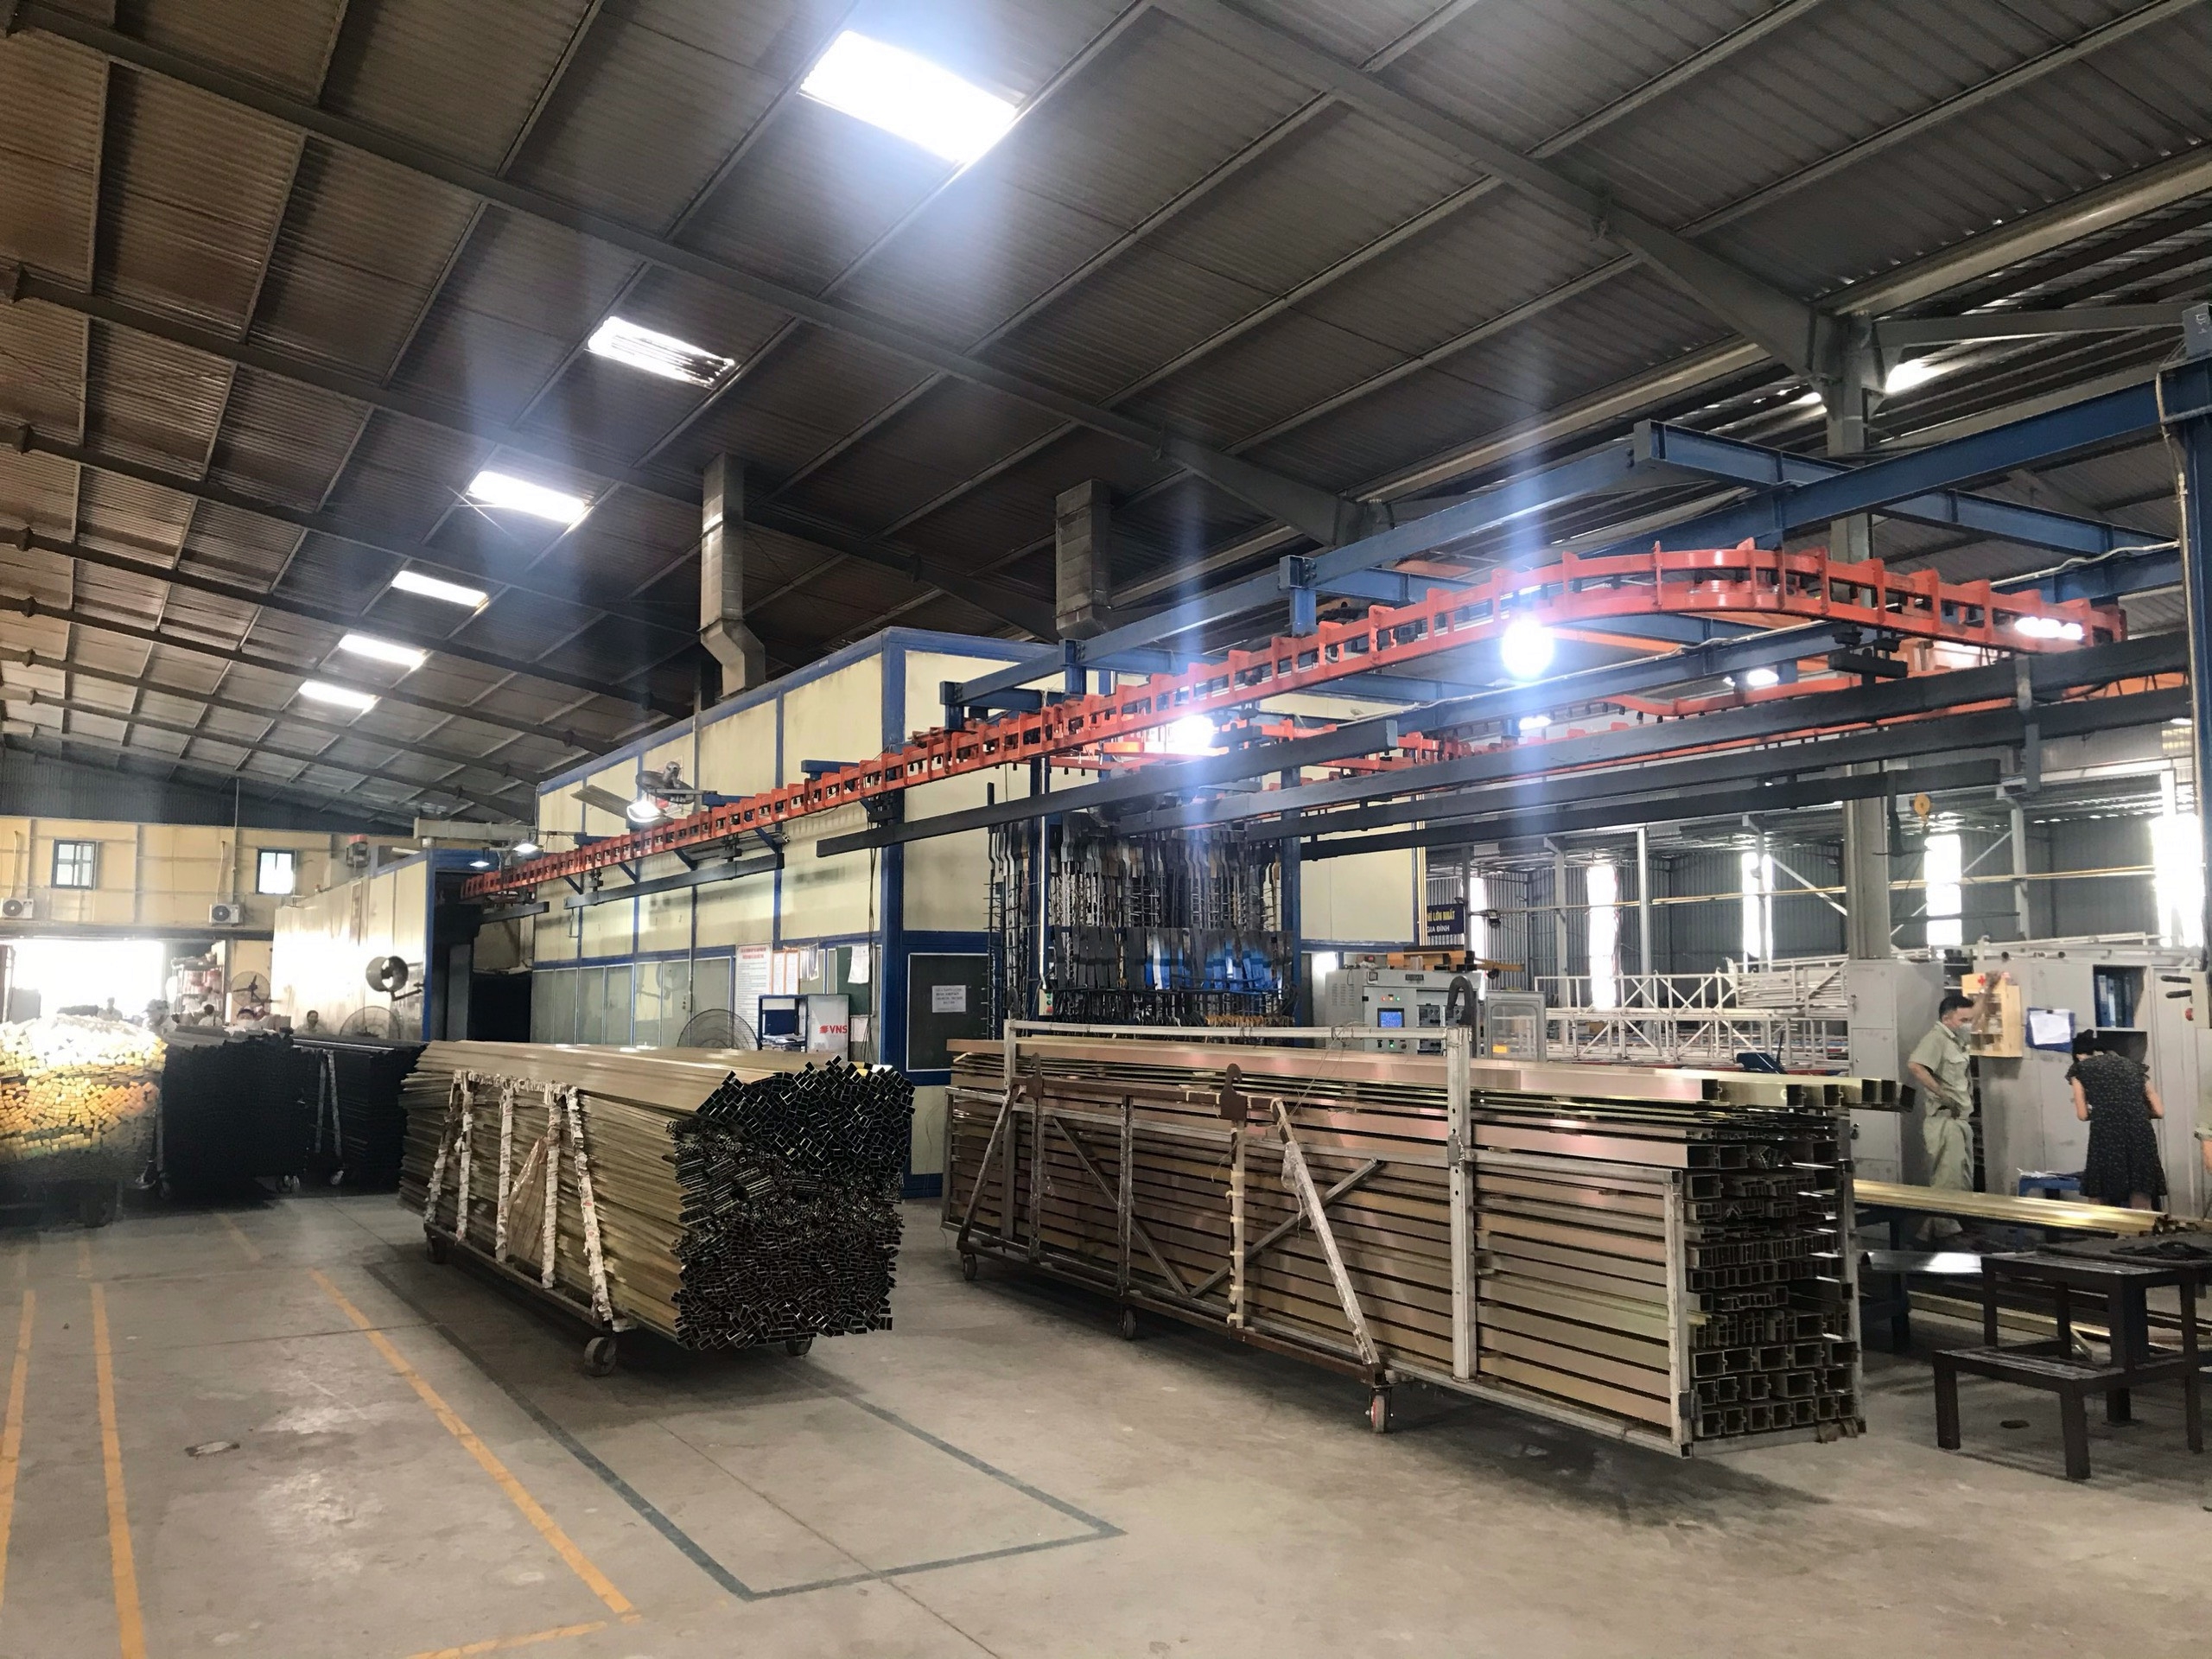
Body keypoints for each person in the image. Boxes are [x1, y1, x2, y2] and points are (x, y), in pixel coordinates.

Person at [1907, 985, 1993, 1237]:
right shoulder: (1937, 1039)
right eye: (1963, 1020)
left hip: (1960, 1120)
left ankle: (1928, 1235)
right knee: (1949, 1178)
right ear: (1947, 1019)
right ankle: (1946, 1234)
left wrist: (1988, 989)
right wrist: (1943, 1095)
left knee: (1960, 1178)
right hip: (1945, 1120)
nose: (1968, 1025)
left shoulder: (1955, 1038)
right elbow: (1916, 1065)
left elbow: (1974, 1013)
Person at [2069, 1033, 2166, 1210]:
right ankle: (2142, 1226)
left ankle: (2103, 1227)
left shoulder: (2080, 1070)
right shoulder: (2134, 1067)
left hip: (2106, 1134)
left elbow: (2082, 1114)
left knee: (2100, 1191)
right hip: (2140, 1133)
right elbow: (2159, 1111)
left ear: (2079, 1055)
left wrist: (2104, 1112)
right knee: (2140, 1189)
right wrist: (2133, 1112)